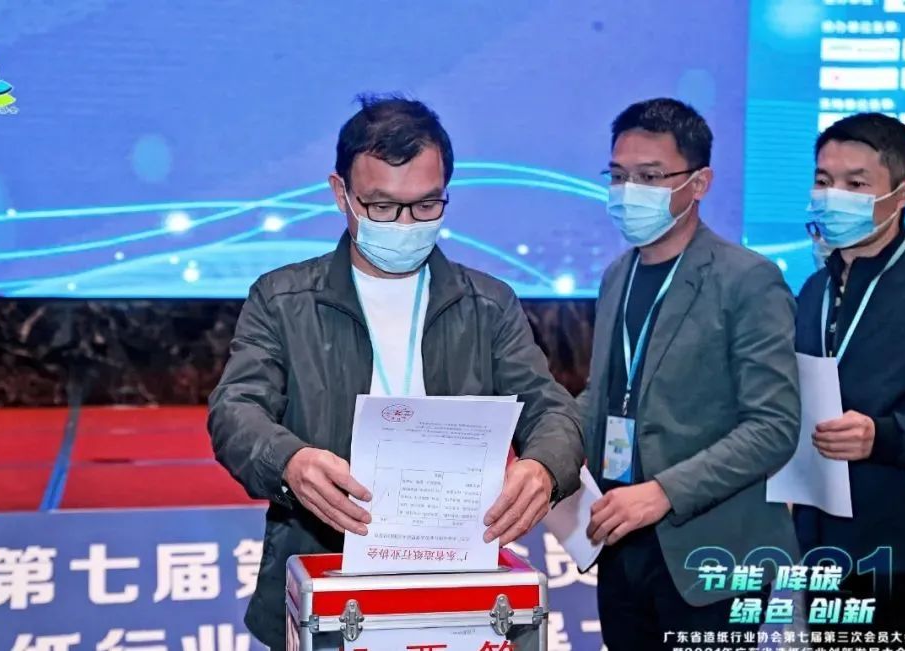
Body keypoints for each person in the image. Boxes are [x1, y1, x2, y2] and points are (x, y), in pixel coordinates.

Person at [207, 94, 585, 650]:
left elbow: (552, 408)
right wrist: (290, 461)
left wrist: (545, 467)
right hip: (324, 570)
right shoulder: (282, 299)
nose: (406, 225)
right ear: (341, 193)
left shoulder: (488, 303)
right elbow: (235, 409)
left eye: (426, 205)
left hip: (461, 583)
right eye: (382, 206)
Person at [577, 98, 801, 649]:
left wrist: (665, 492)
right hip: (620, 541)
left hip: (712, 552)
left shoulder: (747, 279)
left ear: (699, 183)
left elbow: (773, 426)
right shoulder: (617, 275)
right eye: (618, 176)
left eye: (650, 177)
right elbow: (605, 396)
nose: (629, 192)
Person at [795, 112, 905, 648]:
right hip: (821, 546)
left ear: (903, 194)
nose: (833, 196)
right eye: (824, 180)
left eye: (856, 184)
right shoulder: (814, 290)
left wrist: (887, 435)